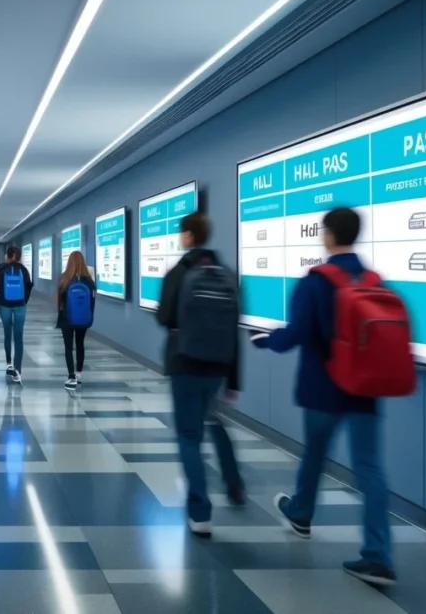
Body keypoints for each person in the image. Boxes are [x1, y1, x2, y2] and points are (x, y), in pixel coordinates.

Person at [251, 207, 396, 586]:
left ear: (329, 236)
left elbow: (296, 333)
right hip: (366, 390)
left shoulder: (315, 282)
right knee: (370, 469)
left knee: (315, 453)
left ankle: (301, 512)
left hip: (323, 389)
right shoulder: (374, 280)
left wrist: (266, 339)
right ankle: (378, 556)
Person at [157, 212, 244, 537]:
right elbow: (233, 329)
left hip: (185, 363)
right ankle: (233, 481)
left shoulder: (179, 274)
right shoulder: (226, 275)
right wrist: (234, 379)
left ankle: (200, 511)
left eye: (182, 234)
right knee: (214, 419)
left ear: (190, 236)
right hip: (219, 365)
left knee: (189, 436)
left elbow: (164, 317)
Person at [0, 245, 33, 384]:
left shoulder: (1, 268)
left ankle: (9, 362)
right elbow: (29, 286)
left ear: (8, 255)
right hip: (20, 305)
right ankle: (18, 371)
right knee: (19, 336)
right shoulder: (23, 269)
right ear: (18, 256)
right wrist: (24, 301)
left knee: (7, 333)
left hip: (5, 305)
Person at [56, 251, 95, 390]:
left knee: (68, 347)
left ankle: (71, 376)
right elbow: (92, 301)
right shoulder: (89, 281)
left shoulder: (64, 278)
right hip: (83, 317)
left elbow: (59, 299)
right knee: (80, 344)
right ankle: (79, 374)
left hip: (66, 317)